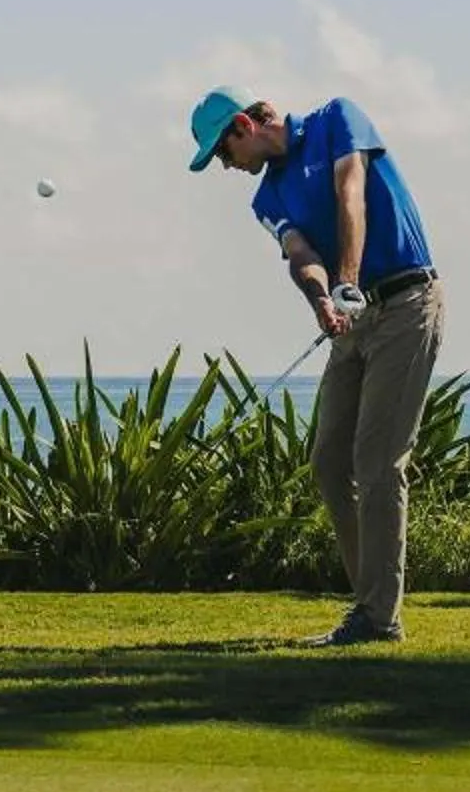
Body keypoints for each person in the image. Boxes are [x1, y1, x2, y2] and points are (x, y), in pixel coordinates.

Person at [187, 87, 443, 644]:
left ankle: (378, 618)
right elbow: (301, 254)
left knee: (378, 461)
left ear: (241, 126)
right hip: (351, 322)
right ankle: (369, 604)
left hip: (404, 306)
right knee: (330, 459)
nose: (228, 168)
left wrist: (346, 279)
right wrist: (324, 300)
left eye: (224, 154)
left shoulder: (337, 120)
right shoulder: (266, 199)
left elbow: (351, 192)